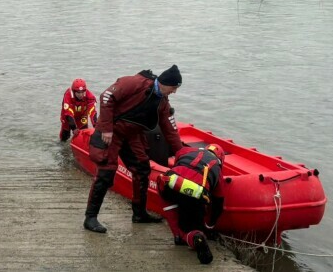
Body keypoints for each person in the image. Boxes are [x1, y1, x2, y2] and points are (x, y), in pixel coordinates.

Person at [83, 64, 185, 233]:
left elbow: (170, 129)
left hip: (131, 134)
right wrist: (107, 128)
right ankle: (90, 218)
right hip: (112, 130)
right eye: (173, 88)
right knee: (106, 172)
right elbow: (107, 96)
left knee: (142, 169)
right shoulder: (135, 83)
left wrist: (182, 154)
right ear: (164, 83)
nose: (174, 92)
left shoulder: (163, 103)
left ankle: (139, 214)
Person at [156, 144, 226, 265]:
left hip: (173, 184)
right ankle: (196, 237)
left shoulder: (187, 150)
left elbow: (177, 160)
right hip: (196, 195)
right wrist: (210, 225)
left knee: (165, 191)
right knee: (191, 229)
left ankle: (177, 235)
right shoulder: (218, 169)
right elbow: (218, 202)